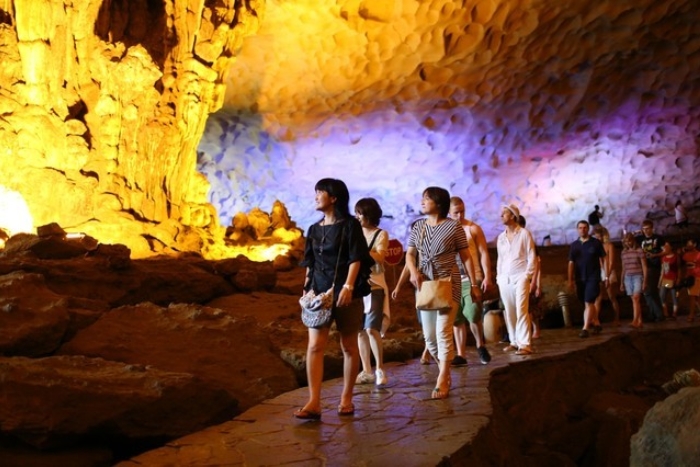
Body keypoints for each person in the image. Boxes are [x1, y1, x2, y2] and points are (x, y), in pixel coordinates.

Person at [294, 178, 372, 420]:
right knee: (315, 346)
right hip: (319, 293)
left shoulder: (350, 225)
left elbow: (356, 257)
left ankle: (346, 398)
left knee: (348, 346)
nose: (316, 196)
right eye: (316, 192)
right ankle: (314, 401)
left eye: (321, 192)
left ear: (334, 197)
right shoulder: (314, 230)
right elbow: (310, 263)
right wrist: (306, 289)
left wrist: (348, 285)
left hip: (346, 291)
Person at [405, 187, 479, 399]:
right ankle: (443, 370)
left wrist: (473, 284)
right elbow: (410, 254)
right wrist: (413, 272)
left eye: (426, 199)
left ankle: (443, 376)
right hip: (426, 285)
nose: (422, 202)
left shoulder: (453, 227)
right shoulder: (418, 227)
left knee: (443, 332)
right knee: (429, 338)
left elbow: (466, 257)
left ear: (438, 203)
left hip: (449, 283)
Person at [448, 197, 493, 366]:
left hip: (472, 277)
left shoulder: (473, 228)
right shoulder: (445, 229)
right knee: (457, 318)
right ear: (449, 212)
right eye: (455, 212)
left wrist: (487, 276)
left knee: (473, 313)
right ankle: (461, 354)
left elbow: (483, 253)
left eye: (462, 212)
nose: (459, 215)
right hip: (452, 280)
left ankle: (480, 345)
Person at [354, 197, 390, 386]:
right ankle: (366, 370)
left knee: (371, 328)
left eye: (359, 213)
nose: (357, 216)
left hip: (374, 285)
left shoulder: (381, 234)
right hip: (357, 287)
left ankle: (380, 369)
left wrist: (360, 249)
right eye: (356, 212)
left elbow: (380, 257)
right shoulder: (355, 233)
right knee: (360, 330)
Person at [496, 204, 537, 355]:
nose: (501, 216)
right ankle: (514, 341)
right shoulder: (501, 237)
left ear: (513, 216)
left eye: (504, 213)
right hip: (504, 278)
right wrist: (498, 277)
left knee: (521, 309)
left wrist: (528, 275)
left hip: (520, 276)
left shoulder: (524, 234)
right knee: (510, 310)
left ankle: (525, 343)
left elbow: (531, 256)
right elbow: (500, 259)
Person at [568, 220, 606, 338]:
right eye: (580, 228)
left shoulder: (596, 243)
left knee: (589, 301)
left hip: (593, 276)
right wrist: (570, 279)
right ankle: (597, 323)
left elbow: (603, 259)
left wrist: (607, 275)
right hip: (580, 277)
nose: (582, 230)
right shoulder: (574, 245)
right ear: (577, 229)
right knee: (585, 301)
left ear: (588, 229)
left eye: (584, 228)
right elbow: (571, 262)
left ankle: (585, 328)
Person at [518, 215, 543, 338]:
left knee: (531, 306)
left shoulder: (529, 241)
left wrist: (536, 283)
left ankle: (535, 328)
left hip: (528, 278)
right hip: (518, 277)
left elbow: (537, 263)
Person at [636, 220, 665, 322]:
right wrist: (636, 233)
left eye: (648, 228)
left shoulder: (658, 238)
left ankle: (658, 314)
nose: (646, 231)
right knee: (647, 292)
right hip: (643, 266)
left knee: (651, 290)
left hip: (653, 266)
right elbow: (626, 240)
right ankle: (653, 314)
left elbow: (666, 250)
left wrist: (655, 255)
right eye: (644, 229)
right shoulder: (639, 239)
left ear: (652, 228)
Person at [593, 226, 621, 326]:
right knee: (598, 297)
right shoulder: (596, 247)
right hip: (600, 272)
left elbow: (612, 262)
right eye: (596, 237)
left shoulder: (609, 246)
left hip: (609, 271)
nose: (598, 238)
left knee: (611, 296)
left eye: (599, 236)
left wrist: (607, 276)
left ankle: (617, 319)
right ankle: (596, 320)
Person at [620, 233, 647, 328]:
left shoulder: (639, 251)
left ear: (633, 240)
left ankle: (635, 320)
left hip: (637, 276)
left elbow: (644, 266)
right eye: (626, 241)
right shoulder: (624, 252)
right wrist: (621, 282)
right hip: (628, 277)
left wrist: (645, 280)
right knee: (634, 300)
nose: (628, 243)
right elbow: (623, 267)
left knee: (636, 298)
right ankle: (640, 321)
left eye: (630, 241)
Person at [658, 241, 680, 320]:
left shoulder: (676, 257)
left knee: (674, 296)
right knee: (662, 295)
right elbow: (662, 270)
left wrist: (678, 278)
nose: (665, 247)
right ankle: (665, 313)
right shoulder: (663, 257)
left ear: (671, 247)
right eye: (665, 245)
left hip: (673, 279)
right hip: (665, 280)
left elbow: (679, 268)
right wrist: (660, 282)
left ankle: (674, 314)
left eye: (667, 245)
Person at [681, 239, 700, 322]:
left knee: (693, 296)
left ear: (695, 244)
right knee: (695, 297)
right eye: (687, 244)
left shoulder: (698, 254)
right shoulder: (686, 255)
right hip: (690, 277)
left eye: (690, 244)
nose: (688, 245)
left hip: (697, 276)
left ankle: (691, 315)